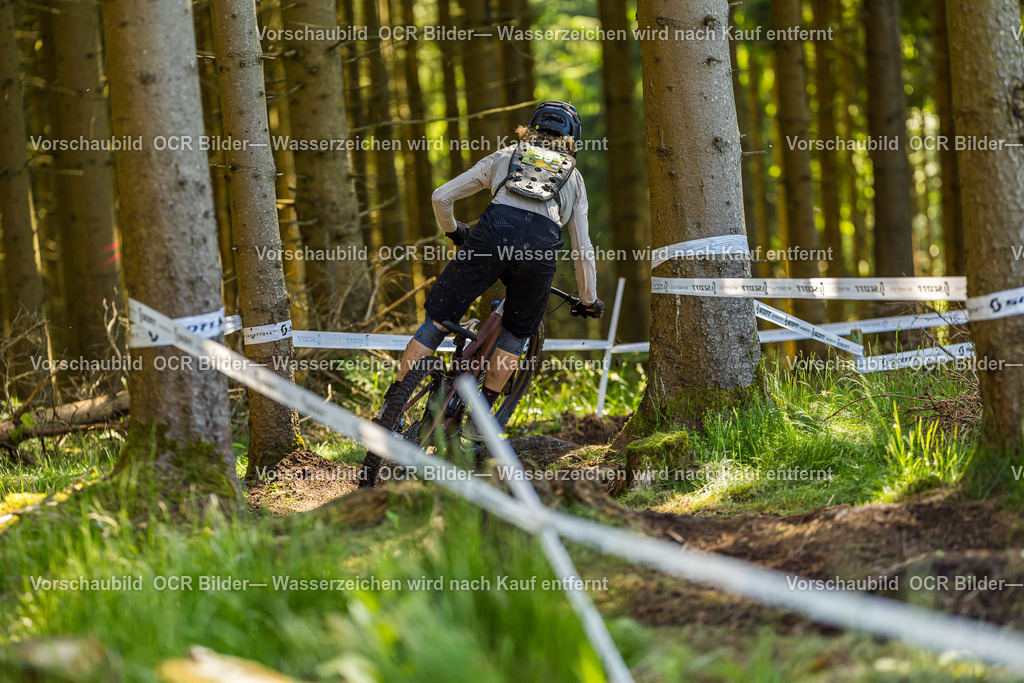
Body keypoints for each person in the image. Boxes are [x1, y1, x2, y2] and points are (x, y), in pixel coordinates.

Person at [371, 101, 602, 452]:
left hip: (492, 234)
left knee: (438, 320)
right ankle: (481, 421)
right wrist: (588, 301)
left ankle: (391, 411)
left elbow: (441, 196)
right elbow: (583, 250)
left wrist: (453, 232)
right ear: (573, 140)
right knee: (515, 332)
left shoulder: (506, 155)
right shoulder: (575, 178)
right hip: (539, 250)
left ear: (530, 128)